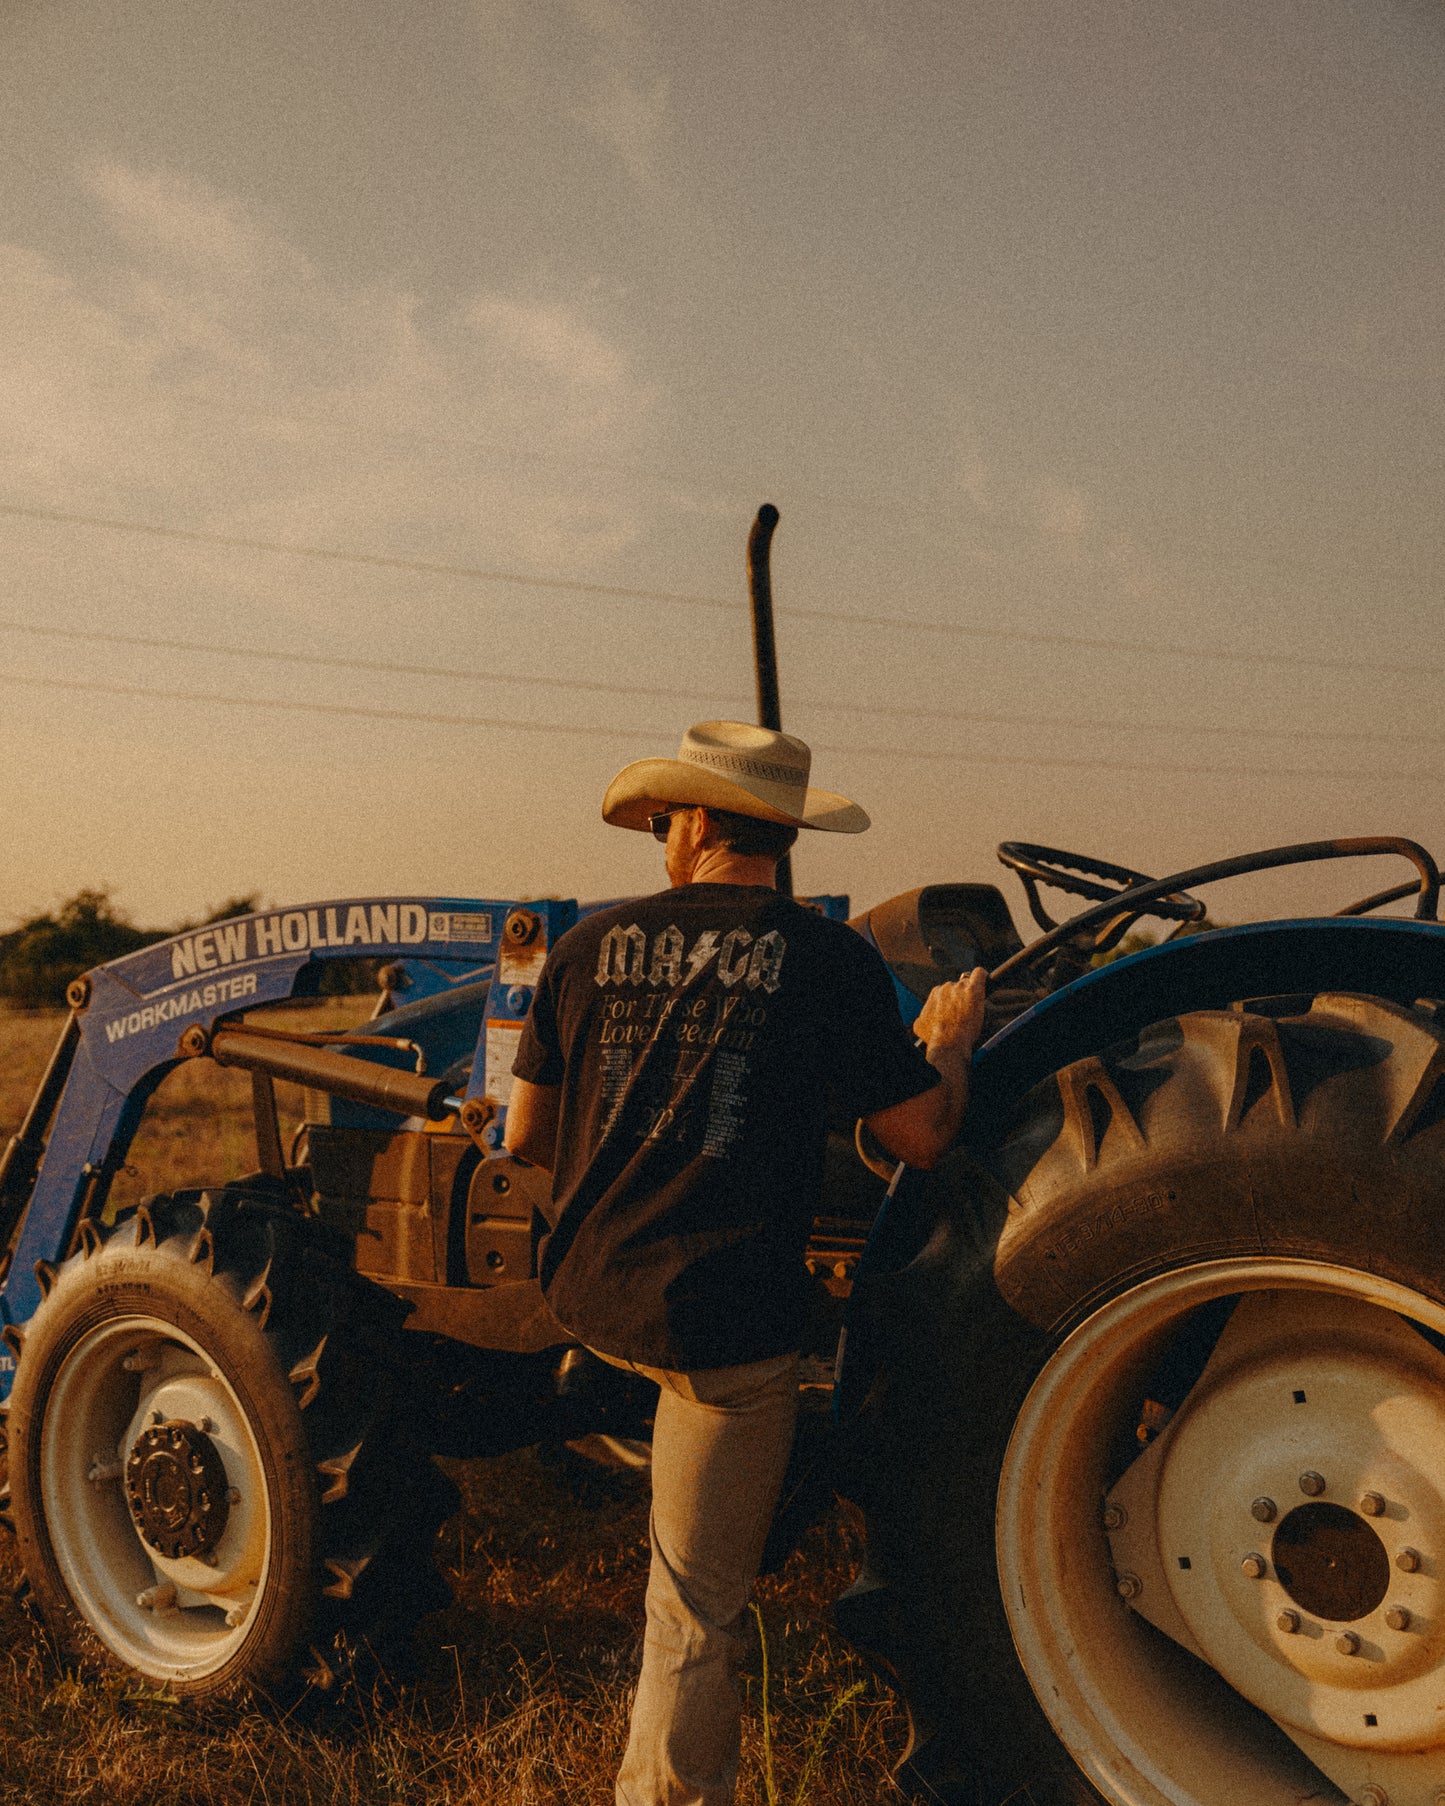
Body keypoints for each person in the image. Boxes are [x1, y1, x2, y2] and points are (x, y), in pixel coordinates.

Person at [505, 719, 987, 1806]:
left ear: (687, 823)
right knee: (693, 1609)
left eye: (661, 826)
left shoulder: (581, 950)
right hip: (717, 1327)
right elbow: (916, 1137)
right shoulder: (827, 963)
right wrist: (949, 1037)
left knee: (698, 1541)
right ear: (780, 834)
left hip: (589, 1294)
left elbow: (524, 1140)